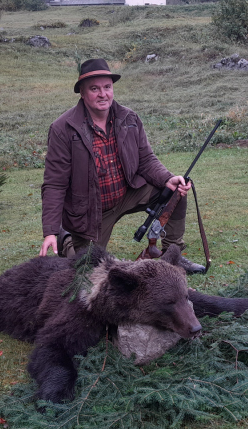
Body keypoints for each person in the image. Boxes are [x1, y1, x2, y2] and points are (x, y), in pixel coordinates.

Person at [39, 58, 204, 273]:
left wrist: (167, 179)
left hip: (127, 192)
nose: (103, 94)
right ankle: (67, 239)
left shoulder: (129, 118)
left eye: (107, 87)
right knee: (86, 271)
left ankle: (173, 256)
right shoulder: (63, 129)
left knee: (175, 192)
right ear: (82, 92)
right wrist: (50, 231)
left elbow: (146, 159)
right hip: (90, 212)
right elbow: (54, 184)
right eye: (94, 88)